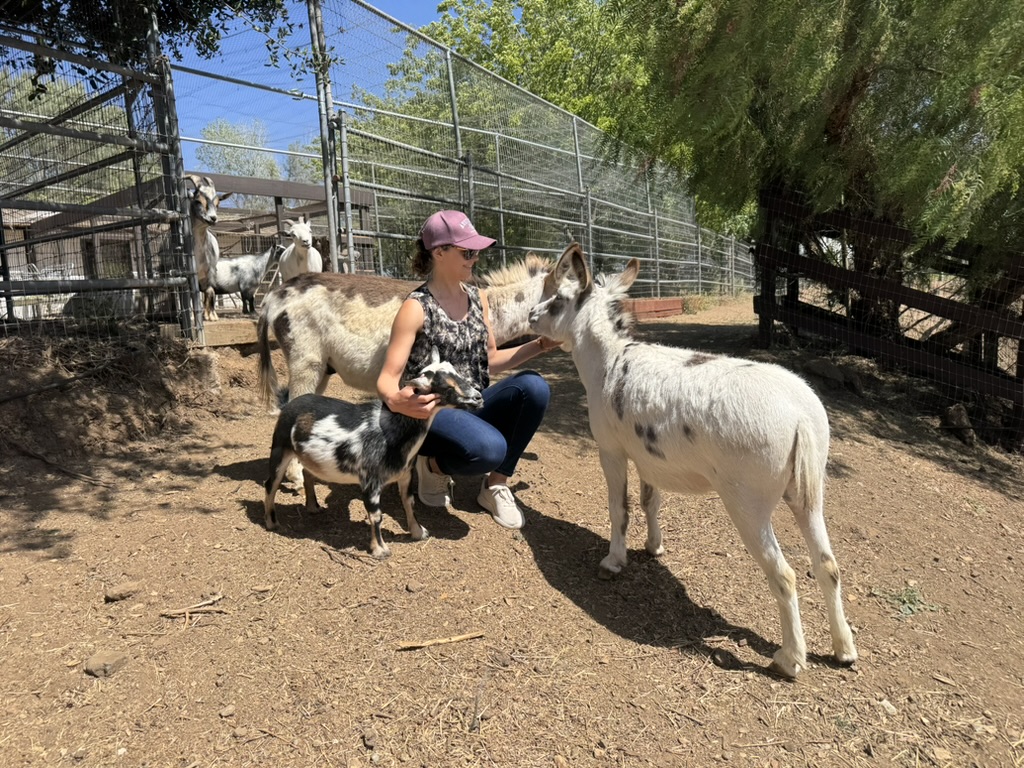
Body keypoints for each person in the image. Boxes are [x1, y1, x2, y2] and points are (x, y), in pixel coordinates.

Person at [376, 210, 559, 530]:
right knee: (489, 448)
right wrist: (397, 400)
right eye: (467, 252)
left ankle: (494, 486)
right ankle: (432, 466)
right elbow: (387, 378)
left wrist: (540, 346)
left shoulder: (478, 300)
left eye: (476, 252)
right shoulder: (415, 307)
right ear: (439, 252)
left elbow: (489, 359)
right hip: (430, 414)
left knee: (534, 388)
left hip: (471, 401)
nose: (475, 259)